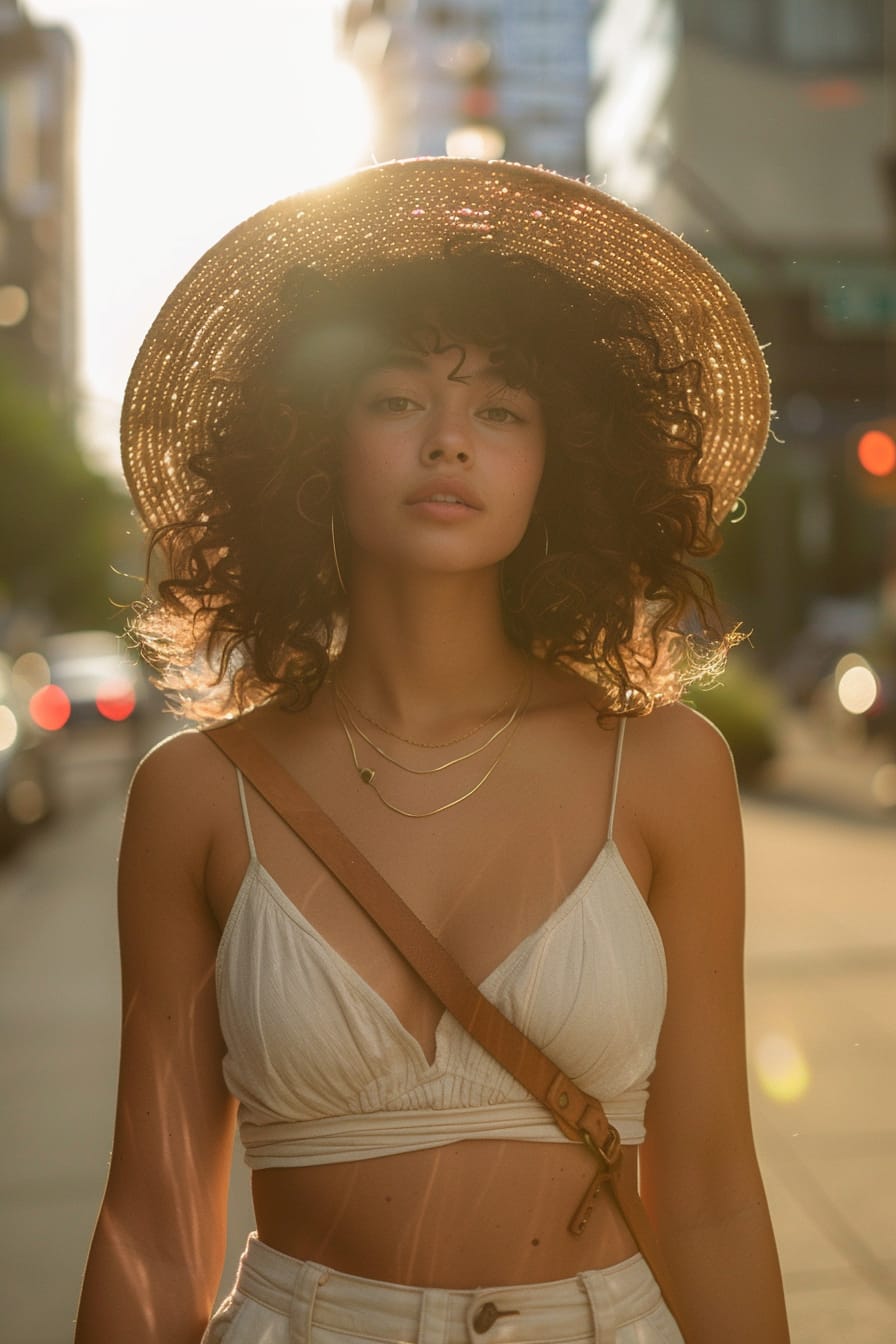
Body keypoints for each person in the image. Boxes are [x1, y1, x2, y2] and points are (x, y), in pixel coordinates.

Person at [75, 158, 790, 1344]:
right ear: (308, 442)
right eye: (397, 398)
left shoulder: (665, 769)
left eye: (501, 409)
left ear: (561, 464)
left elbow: (710, 1193)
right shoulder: (197, 797)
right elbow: (151, 1220)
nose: (450, 441)